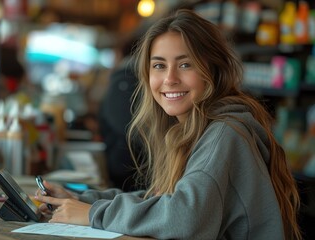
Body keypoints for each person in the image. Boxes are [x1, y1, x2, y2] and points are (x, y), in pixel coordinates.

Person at [35, 9, 301, 239]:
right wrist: (79, 200)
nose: (170, 79)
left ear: (213, 71)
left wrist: (93, 213)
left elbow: (183, 218)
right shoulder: (190, 129)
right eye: (159, 66)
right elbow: (160, 202)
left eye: (185, 65)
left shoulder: (224, 133)